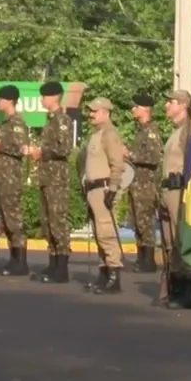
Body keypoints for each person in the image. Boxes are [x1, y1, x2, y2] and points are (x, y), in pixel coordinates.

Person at [81, 97, 127, 293]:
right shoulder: (97, 134)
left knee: (107, 232)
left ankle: (114, 276)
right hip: (93, 190)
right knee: (99, 233)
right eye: (90, 111)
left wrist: (113, 188)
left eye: (95, 111)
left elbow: (117, 164)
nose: (91, 114)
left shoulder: (109, 134)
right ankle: (103, 273)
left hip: (104, 189)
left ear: (106, 112)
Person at [32, 81, 74, 284]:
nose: (42, 100)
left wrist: (43, 152)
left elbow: (65, 148)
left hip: (57, 179)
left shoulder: (62, 120)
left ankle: (62, 268)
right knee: (48, 223)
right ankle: (53, 261)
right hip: (47, 178)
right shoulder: (50, 120)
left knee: (58, 222)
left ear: (55, 97)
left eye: (45, 96)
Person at [160, 89, 191, 309]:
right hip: (168, 192)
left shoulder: (188, 131)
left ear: (183, 105)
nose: (167, 105)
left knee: (182, 240)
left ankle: (186, 292)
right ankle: (175, 287)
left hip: (180, 192)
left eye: (171, 102)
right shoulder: (176, 131)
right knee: (171, 242)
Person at [0, 85, 30, 277]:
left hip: (12, 178)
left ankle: (20, 262)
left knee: (14, 219)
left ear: (9, 101)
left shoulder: (17, 123)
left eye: (1, 99)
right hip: (3, 177)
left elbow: (20, 148)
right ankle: (14, 259)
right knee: (6, 219)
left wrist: (0, 146)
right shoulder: (5, 123)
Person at [127, 93, 163, 273]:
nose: (133, 109)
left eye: (136, 106)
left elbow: (155, 157)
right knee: (137, 221)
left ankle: (148, 260)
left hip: (146, 184)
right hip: (137, 183)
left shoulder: (151, 132)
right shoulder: (141, 131)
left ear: (145, 109)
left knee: (145, 222)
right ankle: (141, 258)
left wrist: (130, 155)